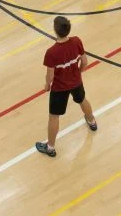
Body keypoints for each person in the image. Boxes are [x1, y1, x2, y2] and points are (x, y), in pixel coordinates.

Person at [34, 15, 98, 157]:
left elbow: (50, 75)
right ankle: (92, 121)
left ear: (55, 30)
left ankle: (50, 148)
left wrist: (47, 85)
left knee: (54, 116)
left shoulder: (51, 52)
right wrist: (78, 73)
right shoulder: (76, 41)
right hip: (76, 82)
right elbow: (85, 61)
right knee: (82, 100)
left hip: (59, 89)